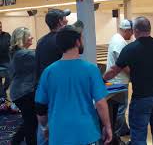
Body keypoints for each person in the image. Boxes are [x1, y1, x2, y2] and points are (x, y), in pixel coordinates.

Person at [104, 17, 153, 145]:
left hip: (141, 98)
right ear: (149, 29)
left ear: (135, 30)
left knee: (138, 133)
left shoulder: (130, 49)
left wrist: (102, 78)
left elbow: (115, 70)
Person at [35, 25, 112, 145]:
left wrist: (45, 127)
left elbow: (40, 107)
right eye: (82, 39)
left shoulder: (48, 72)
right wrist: (107, 126)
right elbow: (100, 103)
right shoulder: (91, 69)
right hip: (87, 133)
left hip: (59, 133)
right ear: (77, 42)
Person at [34, 9, 70, 145]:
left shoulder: (41, 41)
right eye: (65, 18)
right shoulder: (62, 41)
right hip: (58, 92)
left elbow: (37, 67)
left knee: (43, 128)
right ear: (60, 21)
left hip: (43, 90)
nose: (67, 20)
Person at [9, 27, 37, 145]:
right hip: (23, 92)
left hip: (21, 92)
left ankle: (15, 141)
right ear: (22, 38)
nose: (32, 37)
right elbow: (41, 57)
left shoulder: (18, 53)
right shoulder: (23, 54)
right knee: (31, 123)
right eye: (29, 35)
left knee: (30, 121)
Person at [106, 19, 133, 136]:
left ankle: (124, 128)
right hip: (118, 82)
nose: (132, 35)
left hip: (114, 80)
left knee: (116, 106)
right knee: (120, 108)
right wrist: (134, 75)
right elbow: (122, 64)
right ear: (127, 30)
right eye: (131, 32)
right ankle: (117, 134)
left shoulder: (115, 37)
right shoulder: (120, 42)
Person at [0, 21, 11, 102]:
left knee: (9, 76)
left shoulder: (7, 35)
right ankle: (3, 97)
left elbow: (12, 45)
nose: (0, 28)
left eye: (0, 26)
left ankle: (3, 90)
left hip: (6, 60)